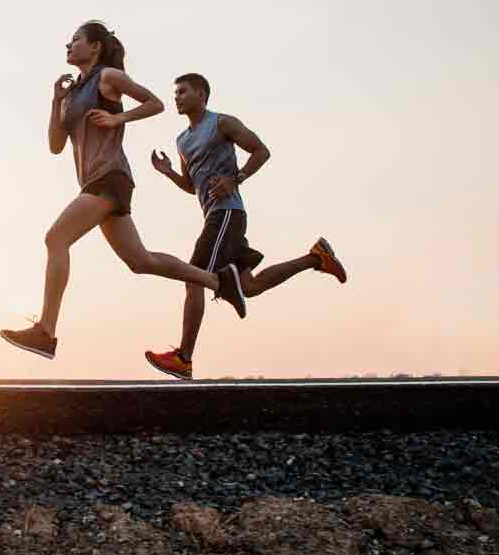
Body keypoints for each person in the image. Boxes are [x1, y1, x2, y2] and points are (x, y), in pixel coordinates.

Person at [0, 24, 246, 360]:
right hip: (92, 181)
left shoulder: (108, 77)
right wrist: (56, 100)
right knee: (140, 261)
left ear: (96, 47)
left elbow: (155, 103)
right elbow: (56, 145)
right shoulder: (71, 94)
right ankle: (219, 282)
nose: (69, 45)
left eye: (76, 40)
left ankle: (46, 331)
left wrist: (119, 119)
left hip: (110, 177)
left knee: (55, 239)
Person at [144, 72, 347, 379]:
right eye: (175, 93)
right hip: (217, 215)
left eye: (183, 92)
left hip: (227, 213)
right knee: (249, 287)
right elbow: (191, 186)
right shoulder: (182, 140)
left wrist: (235, 179)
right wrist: (169, 172)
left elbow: (261, 151)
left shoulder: (222, 123)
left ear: (202, 94)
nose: (177, 97)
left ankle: (184, 357)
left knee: (193, 276)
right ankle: (316, 257)